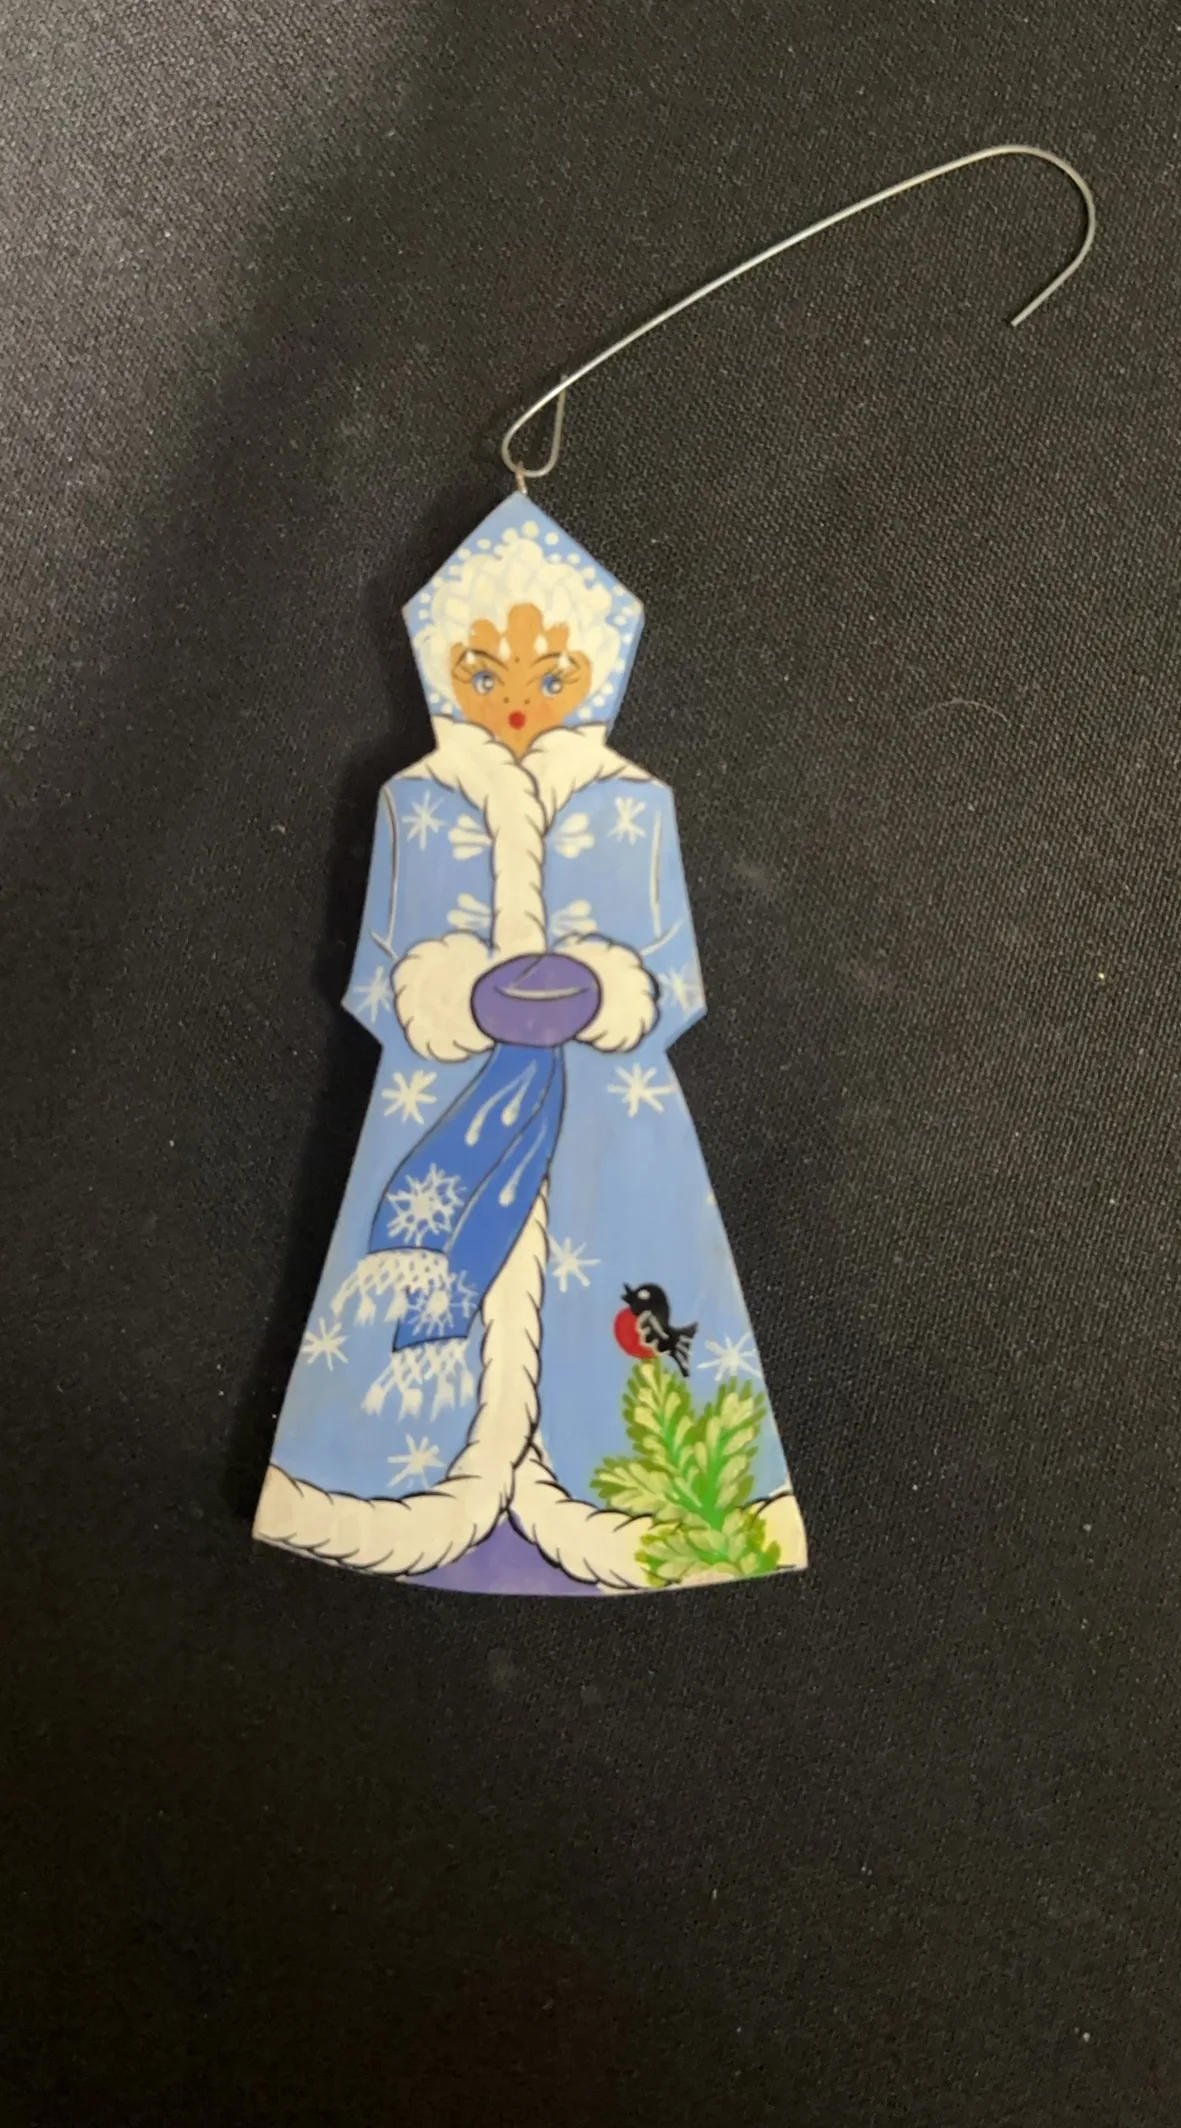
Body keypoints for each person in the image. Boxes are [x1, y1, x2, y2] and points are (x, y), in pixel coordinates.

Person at [254, 503, 806, 1592]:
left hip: (609, 1105)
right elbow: (377, 974)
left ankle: (621, 1504)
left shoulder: (632, 803)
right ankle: (396, 1489)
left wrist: (605, 991)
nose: (514, 701)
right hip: (442, 1100)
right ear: (440, 666)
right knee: (415, 1265)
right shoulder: (415, 800)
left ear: (596, 671)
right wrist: (454, 996)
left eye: (550, 678)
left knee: (620, 1277)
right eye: (485, 673)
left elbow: (671, 974)